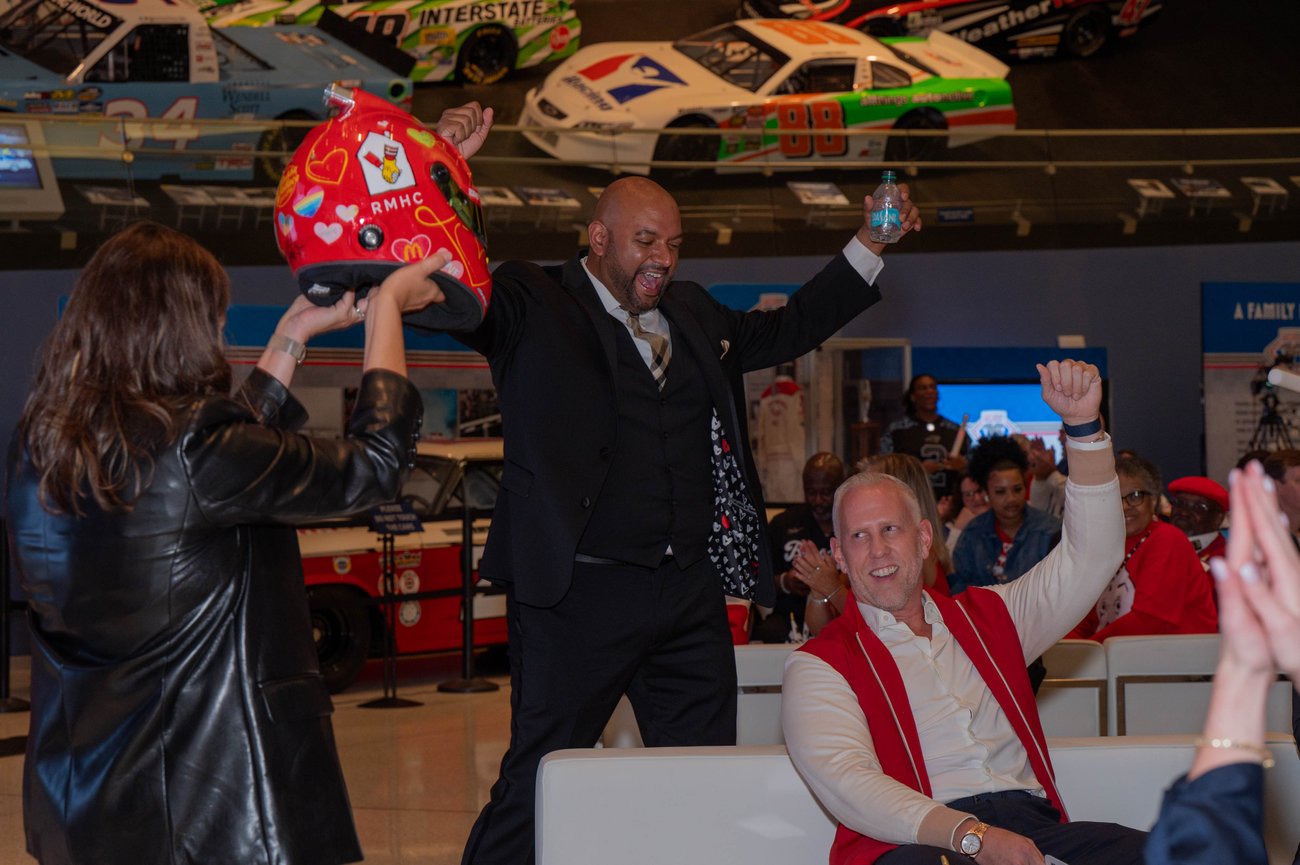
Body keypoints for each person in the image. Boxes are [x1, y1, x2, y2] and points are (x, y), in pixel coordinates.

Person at [446, 176, 921, 865]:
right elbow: (454, 303)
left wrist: (871, 242)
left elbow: (790, 326)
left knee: (702, 779)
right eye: (645, 241)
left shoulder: (693, 311)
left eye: (673, 244)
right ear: (599, 237)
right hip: (577, 594)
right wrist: (442, 180)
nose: (662, 258)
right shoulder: (534, 299)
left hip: (687, 592)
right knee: (539, 779)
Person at [4, 222, 451, 865]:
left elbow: (202, 475)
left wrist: (289, 340)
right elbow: (376, 466)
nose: (217, 333)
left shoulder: (41, 448)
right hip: (211, 814)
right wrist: (387, 312)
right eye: (212, 317)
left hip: (86, 809)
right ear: (181, 325)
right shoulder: (194, 450)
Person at [783, 359, 1149, 865]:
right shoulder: (817, 664)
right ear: (840, 556)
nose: (878, 551)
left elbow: (1091, 558)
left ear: (925, 538)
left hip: (1032, 826)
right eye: (859, 537)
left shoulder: (992, 614)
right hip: (920, 840)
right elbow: (851, 784)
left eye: (891, 529)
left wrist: (1085, 430)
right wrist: (971, 836)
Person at [1145, 460, 1300, 865]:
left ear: (1218, 515)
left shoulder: (1229, 553)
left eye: (1197, 508)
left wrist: (1245, 672)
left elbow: (1202, 844)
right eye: (1179, 505)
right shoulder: (1155, 544)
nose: (1183, 514)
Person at [1068, 453, 1218, 641]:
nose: (1124, 506)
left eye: (1135, 496)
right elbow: (1083, 621)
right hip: (1119, 660)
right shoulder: (1108, 545)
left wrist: (1088, 652)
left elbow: (1150, 620)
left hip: (1170, 664)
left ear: (1154, 500)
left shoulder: (1167, 539)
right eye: (1114, 497)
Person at [948, 435, 1061, 595]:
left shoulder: (1050, 530)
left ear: (1025, 487)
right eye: (1000, 492)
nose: (1011, 499)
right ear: (987, 493)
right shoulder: (973, 533)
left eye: (1017, 489)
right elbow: (960, 589)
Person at [755, 451, 845, 643]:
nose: (818, 500)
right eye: (811, 492)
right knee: (764, 635)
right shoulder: (783, 524)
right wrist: (785, 583)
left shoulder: (853, 525)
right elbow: (756, 580)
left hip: (843, 617)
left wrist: (832, 582)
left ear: (840, 488)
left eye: (826, 492)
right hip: (789, 616)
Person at [878, 373, 968, 501]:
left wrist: (963, 466)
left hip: (951, 500)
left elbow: (973, 466)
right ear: (913, 397)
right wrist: (917, 470)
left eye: (932, 387)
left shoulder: (954, 430)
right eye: (923, 388)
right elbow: (883, 468)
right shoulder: (897, 430)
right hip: (911, 499)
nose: (929, 391)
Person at [1166, 475, 1229, 569]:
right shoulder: (1156, 546)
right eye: (1179, 503)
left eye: (1199, 508)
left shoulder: (1226, 562)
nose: (1184, 512)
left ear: (1218, 518)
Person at [944, 472, 989, 553]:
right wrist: (958, 529)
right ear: (961, 499)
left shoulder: (1006, 520)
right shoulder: (950, 527)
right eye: (969, 494)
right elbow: (946, 563)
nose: (977, 498)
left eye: (980, 491)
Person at [1028, 438, 1067, 519]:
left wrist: (1051, 473)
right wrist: (1041, 478)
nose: (1059, 438)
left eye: (1063, 432)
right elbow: (1039, 513)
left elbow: (1075, 496)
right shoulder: (1063, 465)